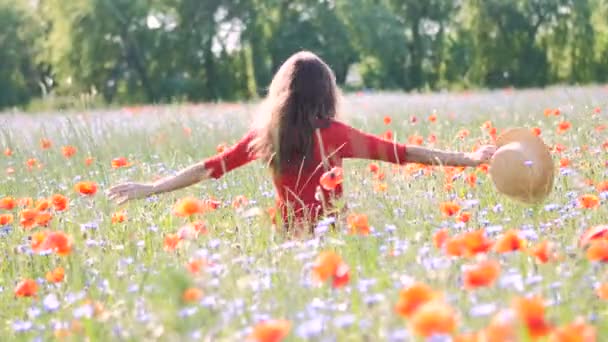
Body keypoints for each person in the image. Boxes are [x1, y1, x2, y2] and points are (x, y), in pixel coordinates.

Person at [107, 51, 496, 232]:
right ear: (326, 92)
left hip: (288, 242)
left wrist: (153, 188)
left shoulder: (268, 137)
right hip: (334, 236)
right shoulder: (337, 135)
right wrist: (472, 158)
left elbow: (210, 168)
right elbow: (406, 154)